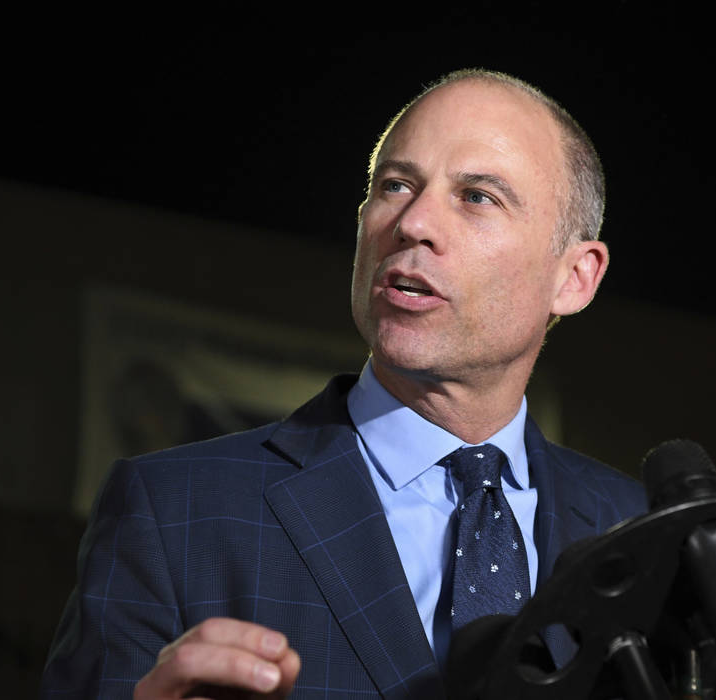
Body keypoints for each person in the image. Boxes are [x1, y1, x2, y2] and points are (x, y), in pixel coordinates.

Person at [41, 68, 647, 699]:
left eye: (477, 197)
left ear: (575, 277)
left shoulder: (642, 532)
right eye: (395, 185)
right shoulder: (172, 511)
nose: (413, 223)